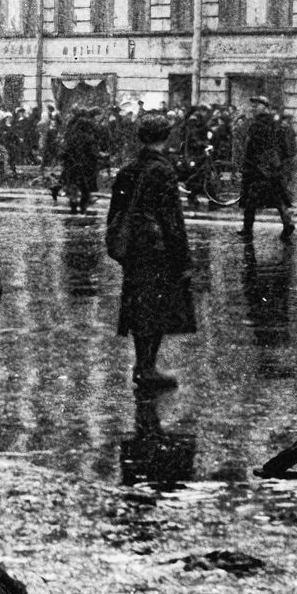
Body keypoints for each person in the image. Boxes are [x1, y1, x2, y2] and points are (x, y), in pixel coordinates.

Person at [107, 113, 196, 389]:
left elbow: (115, 214)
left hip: (133, 248)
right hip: (157, 249)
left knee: (138, 305)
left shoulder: (127, 170)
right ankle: (146, 367)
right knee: (156, 308)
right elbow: (172, 220)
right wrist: (183, 259)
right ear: (165, 137)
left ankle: (142, 364)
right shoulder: (163, 170)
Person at [237, 97, 295, 239]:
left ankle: (247, 228)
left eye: (256, 106)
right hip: (273, 168)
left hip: (256, 168)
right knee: (277, 197)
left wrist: (244, 163)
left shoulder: (255, 125)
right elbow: (285, 148)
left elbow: (249, 147)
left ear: (264, 107)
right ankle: (288, 222)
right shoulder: (277, 124)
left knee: (251, 199)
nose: (253, 108)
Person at [58, 107, 104, 213]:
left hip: (73, 165)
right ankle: (83, 206)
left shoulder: (72, 136)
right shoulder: (89, 138)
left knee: (73, 185)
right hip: (85, 166)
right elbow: (93, 152)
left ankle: (73, 204)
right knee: (85, 187)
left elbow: (65, 151)